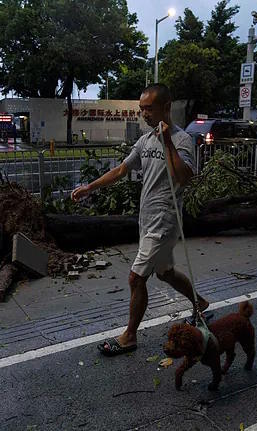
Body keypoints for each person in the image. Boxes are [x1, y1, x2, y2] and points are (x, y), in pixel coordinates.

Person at [71, 84, 209, 356]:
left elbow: (183, 177)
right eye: (141, 109)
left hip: (165, 221)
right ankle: (200, 303)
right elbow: (122, 169)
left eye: (149, 108)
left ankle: (129, 336)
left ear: (166, 108)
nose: (143, 114)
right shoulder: (145, 141)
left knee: (136, 278)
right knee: (165, 273)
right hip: (147, 220)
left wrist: (167, 141)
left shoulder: (182, 139)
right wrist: (90, 187)